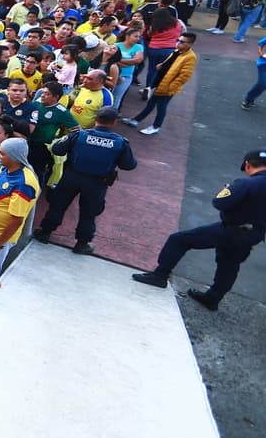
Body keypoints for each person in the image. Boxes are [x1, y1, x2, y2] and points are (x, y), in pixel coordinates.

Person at [133, 149, 266, 311]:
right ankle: (213, 298)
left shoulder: (245, 184)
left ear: (247, 164)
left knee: (179, 239)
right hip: (254, 234)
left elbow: (219, 203)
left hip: (231, 230)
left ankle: (159, 275)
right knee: (230, 264)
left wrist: (227, 190)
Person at [33, 107, 137, 255]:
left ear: (96, 119)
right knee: (89, 213)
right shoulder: (120, 142)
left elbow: (57, 149)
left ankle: (45, 233)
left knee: (58, 205)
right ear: (114, 122)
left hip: (72, 176)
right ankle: (82, 243)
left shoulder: (79, 135)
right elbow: (129, 165)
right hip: (97, 183)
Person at [0, 138, 41, 275]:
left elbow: (17, 220)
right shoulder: (6, 168)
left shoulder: (24, 184)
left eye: (2, 153)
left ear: (14, 157)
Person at [123, 31, 198, 136]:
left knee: (161, 107)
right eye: (178, 40)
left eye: (182, 42)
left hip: (167, 87)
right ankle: (136, 120)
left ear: (190, 44)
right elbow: (170, 62)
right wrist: (161, 65)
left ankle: (155, 126)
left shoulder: (190, 57)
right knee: (151, 104)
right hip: (161, 83)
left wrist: (171, 87)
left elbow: (184, 76)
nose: (178, 43)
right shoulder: (177, 51)